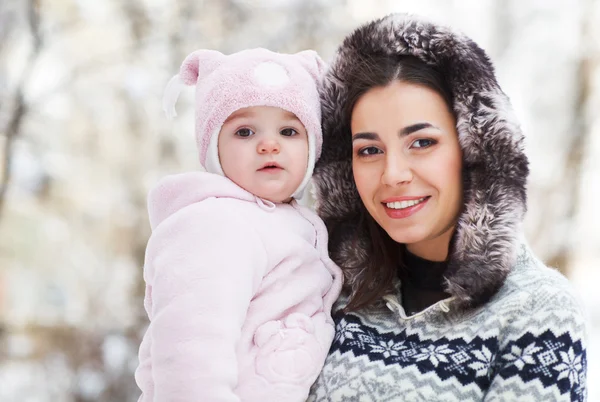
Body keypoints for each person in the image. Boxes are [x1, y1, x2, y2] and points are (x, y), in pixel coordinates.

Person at [308, 14, 587, 401]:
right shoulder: (324, 289)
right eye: (369, 150)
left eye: (422, 142)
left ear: (475, 150)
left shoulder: (538, 312)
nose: (393, 175)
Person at [134, 47, 343, 402]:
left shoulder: (288, 222)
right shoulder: (214, 225)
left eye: (290, 131)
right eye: (245, 132)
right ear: (213, 147)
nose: (269, 145)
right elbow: (190, 349)